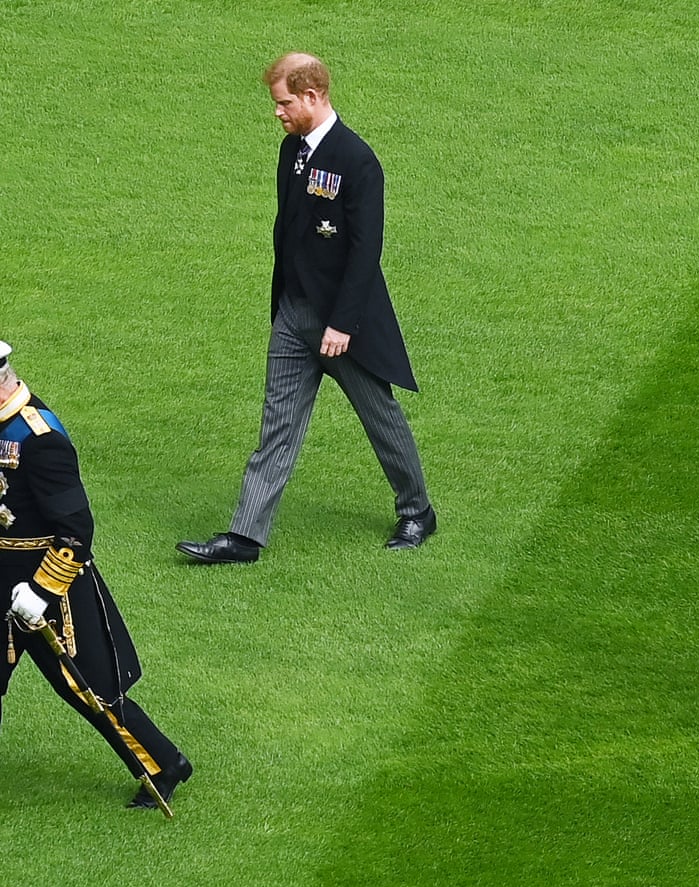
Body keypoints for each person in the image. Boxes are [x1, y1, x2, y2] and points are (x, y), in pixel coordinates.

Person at [177, 52, 435, 564]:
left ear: (313, 96)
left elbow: (366, 251)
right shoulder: (292, 151)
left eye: (284, 102)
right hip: (294, 317)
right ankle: (245, 537)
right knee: (277, 424)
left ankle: (417, 511)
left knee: (379, 416)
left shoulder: (356, 159)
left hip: (341, 324)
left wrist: (342, 323)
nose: (278, 112)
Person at [0, 341, 191, 809]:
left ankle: (163, 765)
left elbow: (77, 531)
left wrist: (42, 590)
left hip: (49, 589)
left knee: (90, 690)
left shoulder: (39, 439)